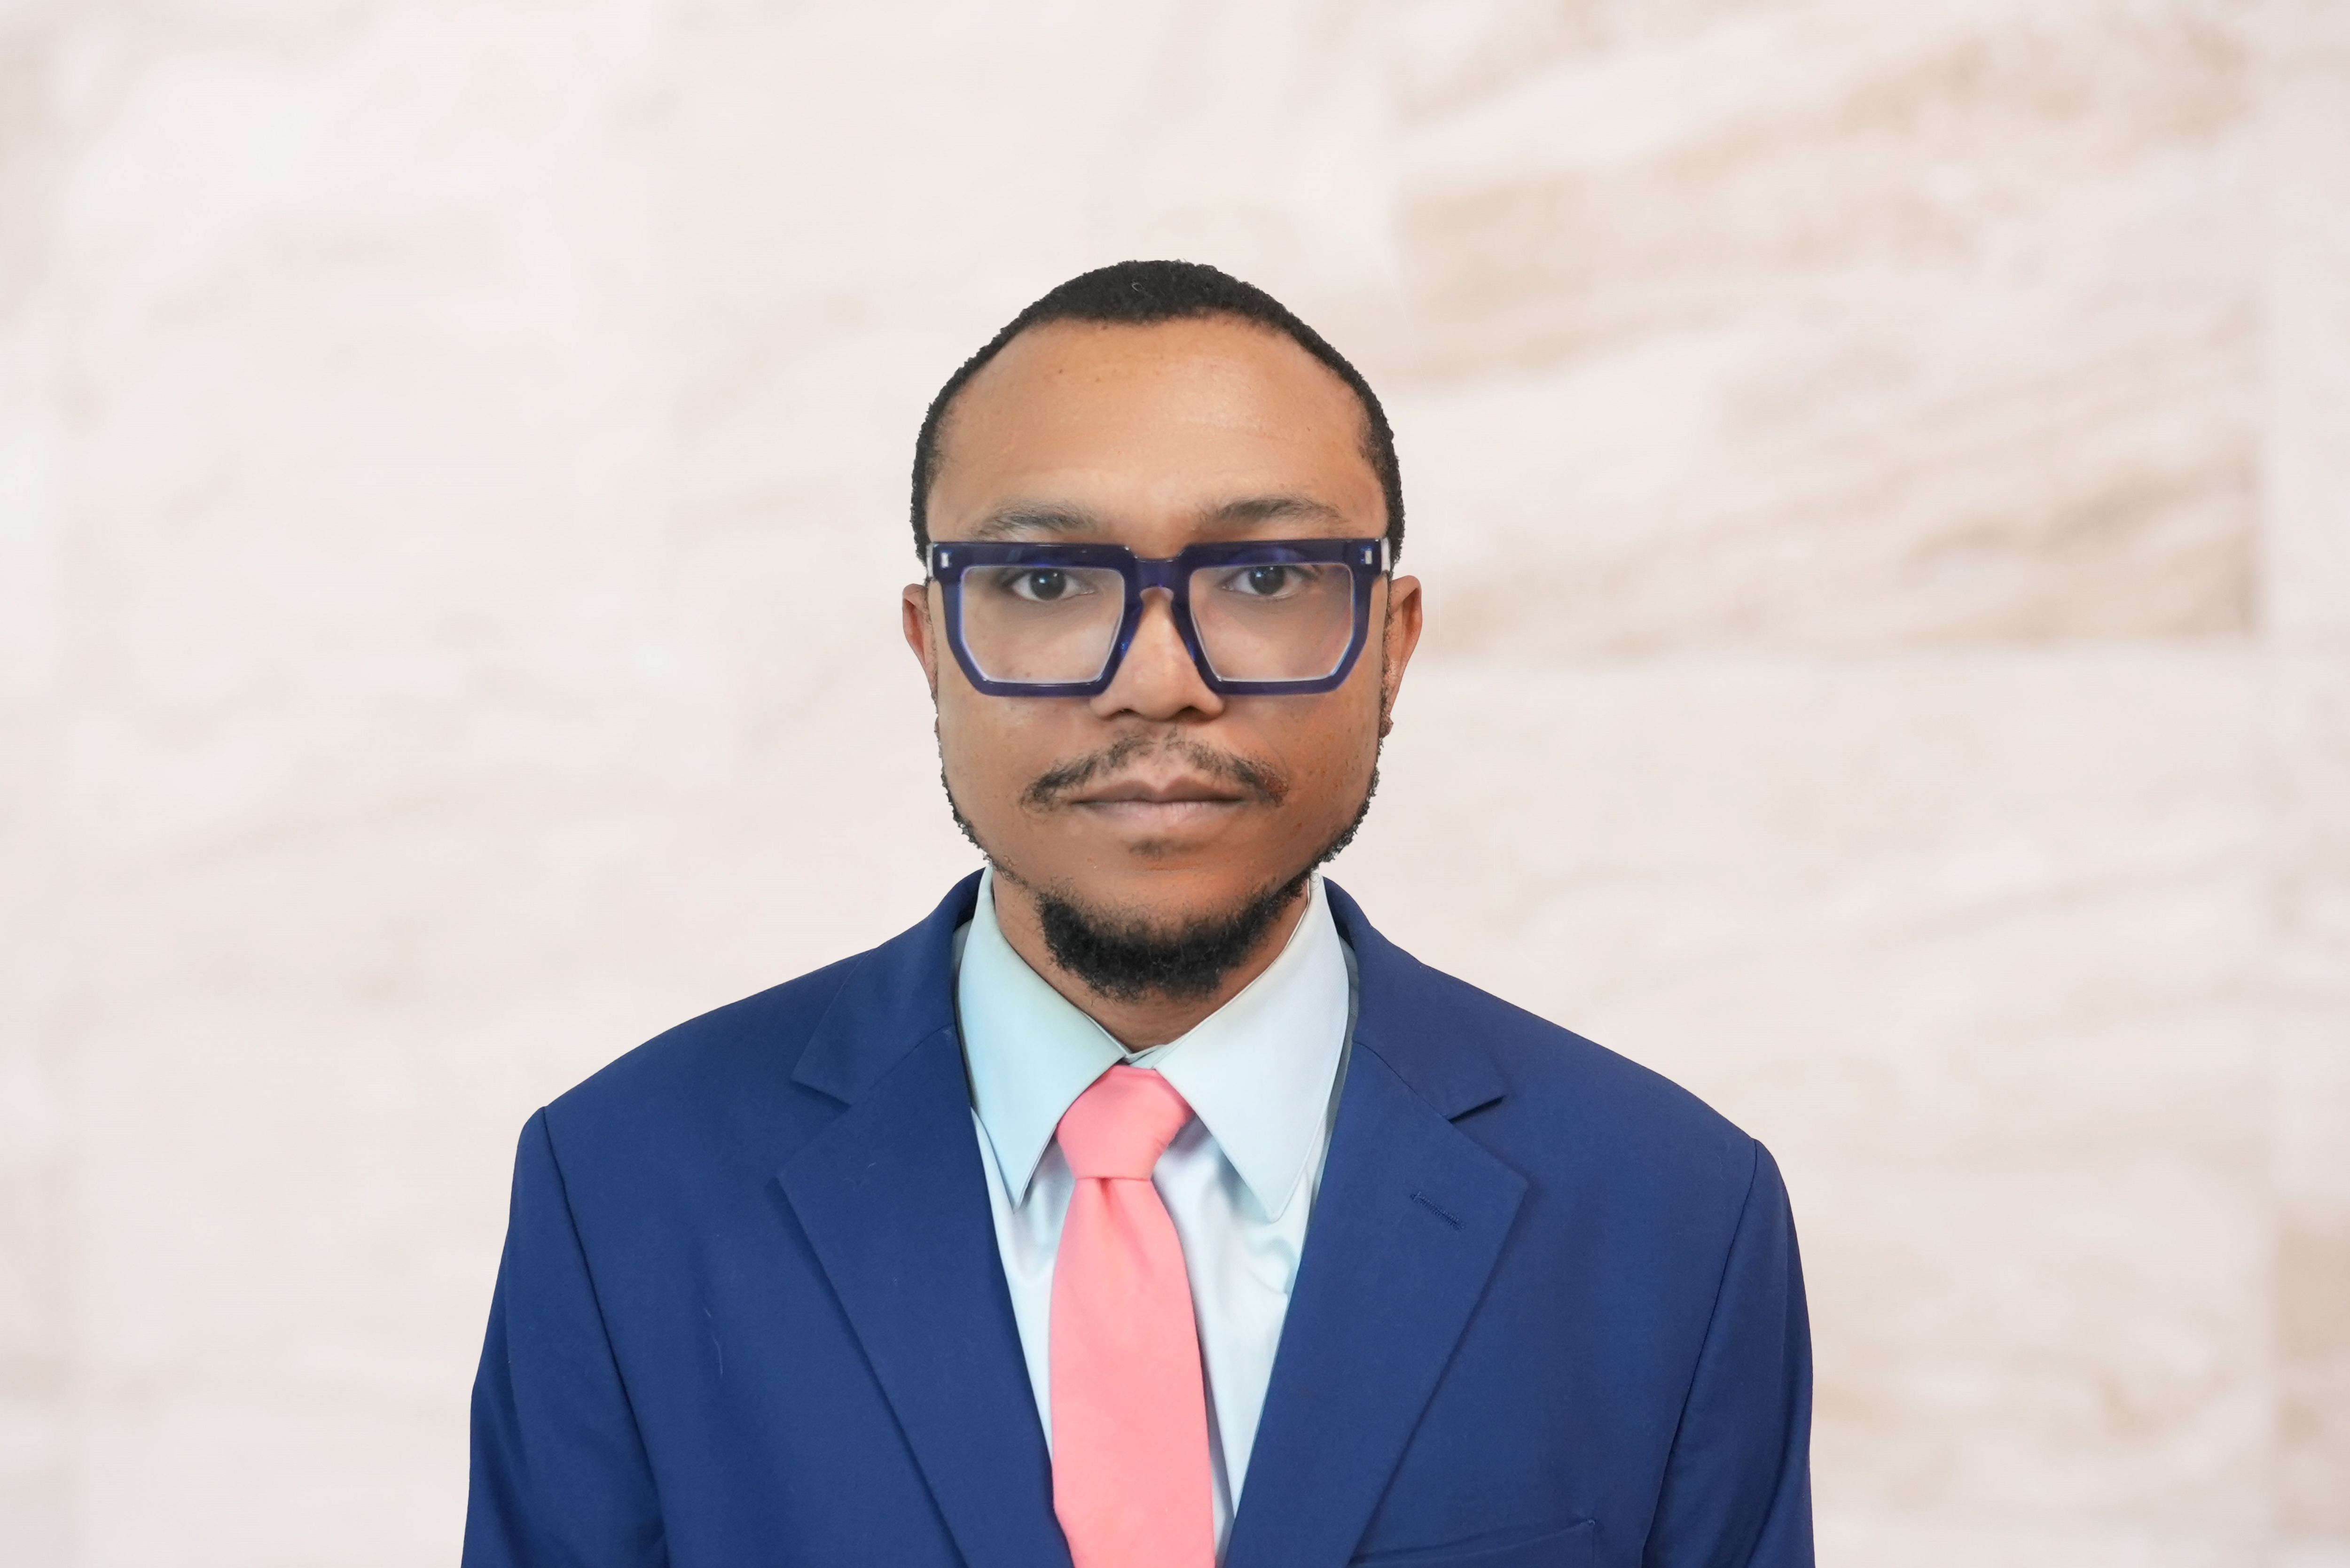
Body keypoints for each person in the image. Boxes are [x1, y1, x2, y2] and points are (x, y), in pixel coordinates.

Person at [463, 260, 1812, 1568]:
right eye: (1046, 585)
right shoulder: (628, 1188)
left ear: (1394, 645)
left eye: (1269, 579)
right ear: (931, 646)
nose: (1159, 683)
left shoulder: (1674, 1214)